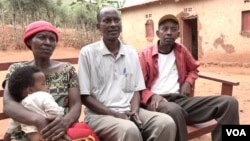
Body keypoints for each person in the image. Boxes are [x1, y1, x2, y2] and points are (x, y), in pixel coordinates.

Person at [77, 6, 176, 141]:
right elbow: (84, 97)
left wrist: (134, 111)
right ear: (98, 26)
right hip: (99, 116)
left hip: (129, 111)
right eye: (107, 21)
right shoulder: (87, 53)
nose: (113, 24)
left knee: (166, 123)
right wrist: (116, 115)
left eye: (116, 20)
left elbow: (136, 89)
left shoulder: (131, 52)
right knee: (129, 129)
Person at [138, 14, 240, 141]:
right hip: (157, 103)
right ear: (158, 33)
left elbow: (193, 68)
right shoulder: (144, 55)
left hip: (181, 101)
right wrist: (152, 95)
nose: (169, 33)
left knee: (229, 103)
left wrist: (188, 82)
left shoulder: (181, 50)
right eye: (165, 29)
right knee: (174, 110)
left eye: (173, 29)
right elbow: (137, 85)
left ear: (178, 34)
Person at [2, 20, 99, 141]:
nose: (48, 42)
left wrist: (64, 122)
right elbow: (9, 105)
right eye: (42, 37)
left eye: (52, 39)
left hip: (62, 130)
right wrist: (38, 120)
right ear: (29, 41)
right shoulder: (17, 70)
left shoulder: (67, 70)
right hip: (25, 135)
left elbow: (75, 105)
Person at [3, 66, 98, 141]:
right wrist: (60, 116)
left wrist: (7, 136)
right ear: (31, 90)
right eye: (44, 83)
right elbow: (56, 112)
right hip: (51, 133)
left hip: (35, 137)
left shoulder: (20, 107)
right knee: (86, 131)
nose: (47, 86)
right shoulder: (43, 96)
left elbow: (13, 124)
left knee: (81, 127)